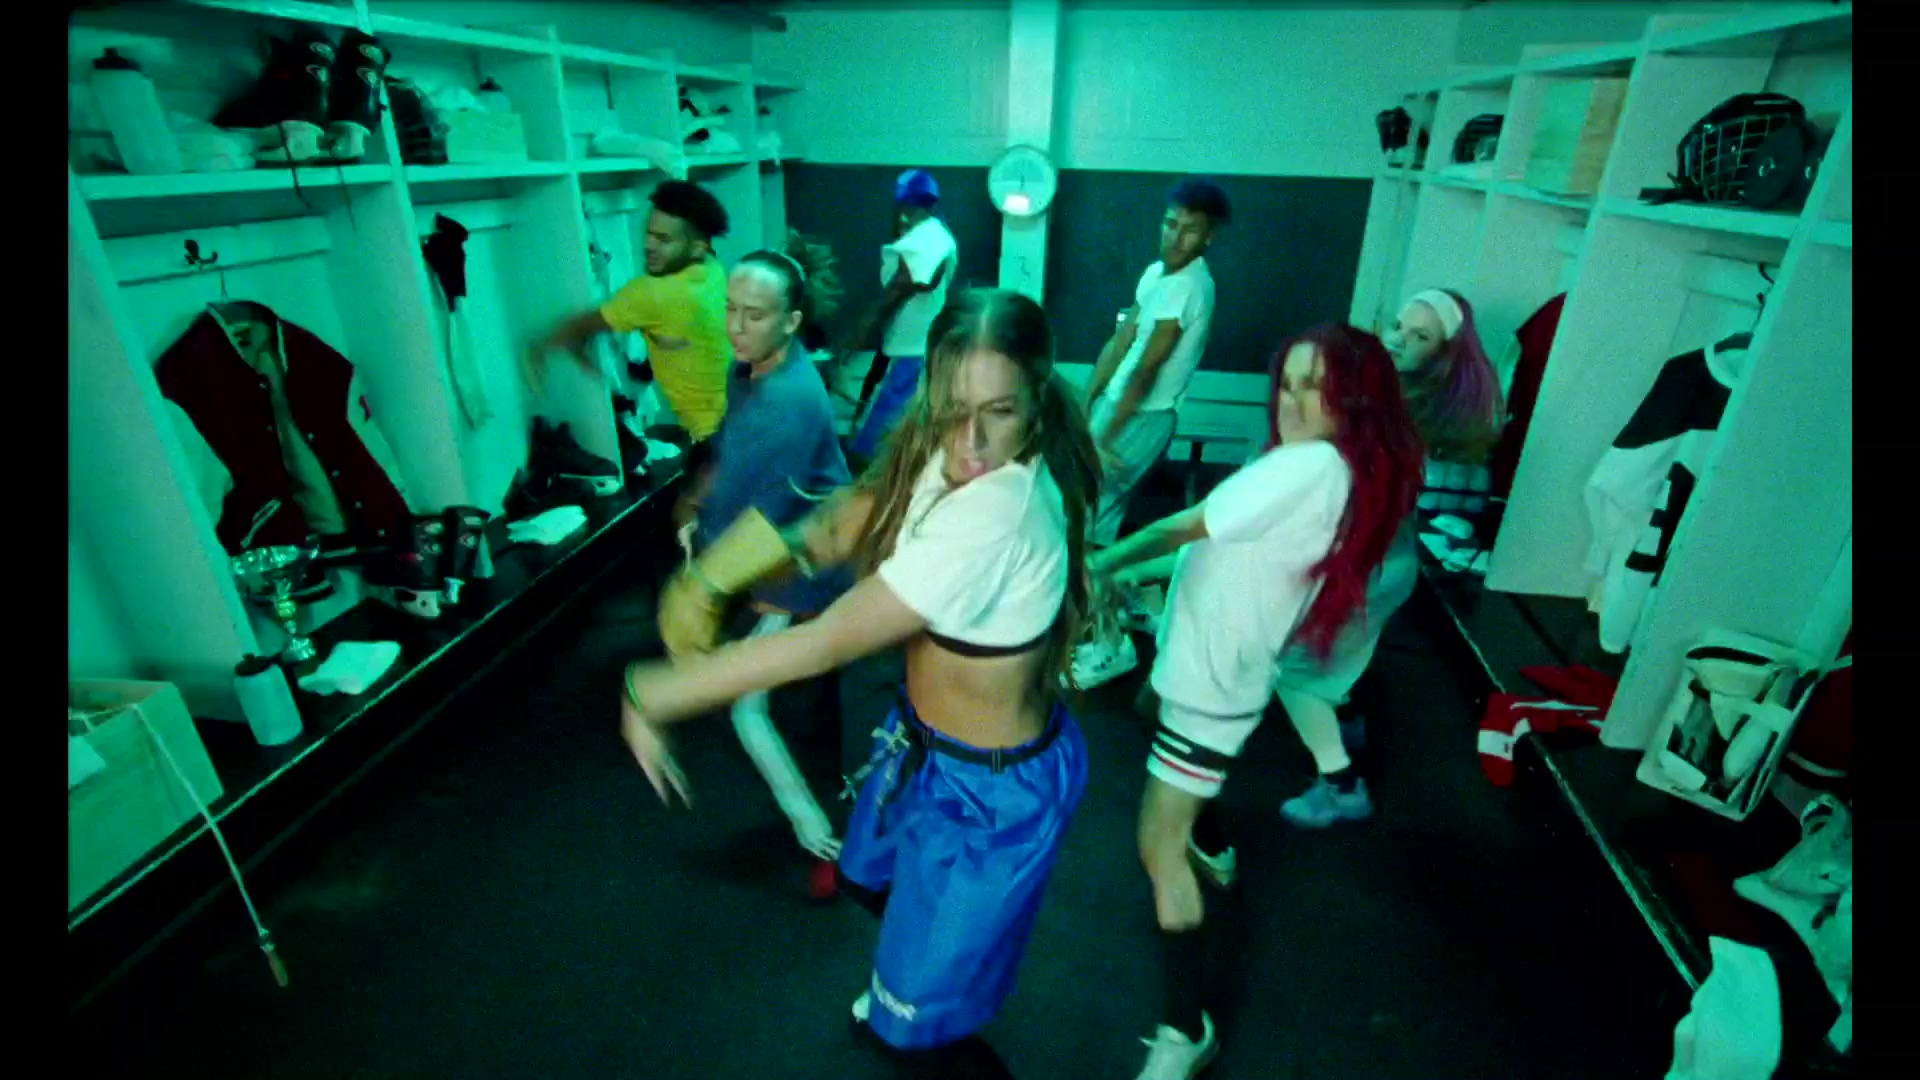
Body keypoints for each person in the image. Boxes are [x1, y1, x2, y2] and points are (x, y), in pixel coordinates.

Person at [619, 288, 1100, 1079]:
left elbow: (826, 641)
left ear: (1036, 403)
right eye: (954, 410)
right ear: (932, 391)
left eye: (1000, 413)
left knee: (913, 1038)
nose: (972, 443)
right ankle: (916, 979)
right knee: (862, 876)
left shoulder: (997, 513)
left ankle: (925, 1011)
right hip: (924, 750)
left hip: (995, 799)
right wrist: (715, 574)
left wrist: (656, 691)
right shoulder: (934, 450)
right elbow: (843, 519)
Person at [1088, 324, 1425, 1078]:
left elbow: (1185, 524)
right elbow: (1213, 549)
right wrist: (1129, 577)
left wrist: (1097, 565)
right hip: (1197, 667)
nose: (1295, 401)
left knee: (1157, 847)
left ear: (1355, 401)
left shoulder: (1311, 465)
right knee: (1144, 711)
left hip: (1210, 688)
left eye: (1319, 389)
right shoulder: (1310, 467)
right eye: (1290, 383)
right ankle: (1214, 842)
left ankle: (1185, 1030)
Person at [658, 230, 854, 893]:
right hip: (774, 556)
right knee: (798, 700)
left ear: (791, 322)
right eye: (732, 310)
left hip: (803, 569)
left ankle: (824, 841)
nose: (737, 328)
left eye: (756, 315)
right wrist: (696, 493)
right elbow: (730, 453)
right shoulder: (747, 372)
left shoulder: (791, 403)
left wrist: (710, 588)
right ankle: (830, 796)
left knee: (750, 709)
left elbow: (766, 524)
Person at [1265, 287, 1503, 829]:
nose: (1399, 340)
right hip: (1377, 561)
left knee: (1296, 672)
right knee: (1322, 660)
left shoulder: (1398, 414)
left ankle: (1342, 785)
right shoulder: (1392, 400)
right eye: (1398, 326)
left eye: (1420, 336)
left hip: (1367, 565)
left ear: (1444, 352)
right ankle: (1344, 728)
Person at [1070, 177, 1229, 690]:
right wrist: (1088, 401)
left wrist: (1101, 438)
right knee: (1089, 517)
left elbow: (1146, 371)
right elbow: (1122, 341)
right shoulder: (1158, 274)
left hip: (1141, 417)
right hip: (1117, 408)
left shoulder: (1189, 286)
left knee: (1090, 533)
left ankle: (1109, 644)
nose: (1175, 237)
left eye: (1189, 230)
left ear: (1208, 237)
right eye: (1170, 223)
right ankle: (1134, 604)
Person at [532, 180, 733, 443]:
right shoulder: (712, 270)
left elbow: (577, 327)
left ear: (697, 247)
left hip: (722, 436)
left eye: (663, 239)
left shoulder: (653, 294)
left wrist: (540, 349)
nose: (649, 246)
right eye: (649, 233)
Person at [845, 169, 959, 464]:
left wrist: (862, 328)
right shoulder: (934, 234)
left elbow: (904, 286)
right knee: (892, 420)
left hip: (909, 350)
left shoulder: (926, 239)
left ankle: (868, 476)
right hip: (911, 344)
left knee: (876, 433)